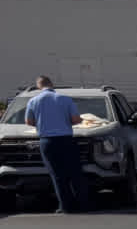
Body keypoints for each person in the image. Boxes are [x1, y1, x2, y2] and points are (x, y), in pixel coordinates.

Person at [24, 75, 89, 213]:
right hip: (66, 139)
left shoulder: (33, 101)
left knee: (57, 175)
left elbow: (29, 122)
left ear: (38, 86)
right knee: (75, 172)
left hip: (47, 141)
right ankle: (84, 204)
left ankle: (65, 206)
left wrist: (43, 123)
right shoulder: (65, 99)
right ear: (52, 84)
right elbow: (76, 119)